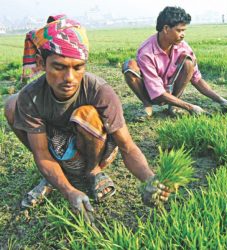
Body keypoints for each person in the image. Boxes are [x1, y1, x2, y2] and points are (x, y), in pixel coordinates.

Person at [4, 15, 170, 217]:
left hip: (96, 147)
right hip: (57, 146)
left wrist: (149, 179)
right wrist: (69, 191)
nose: (69, 78)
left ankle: (92, 171)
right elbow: (42, 154)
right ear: (41, 62)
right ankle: (57, 175)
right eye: (59, 67)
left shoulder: (99, 90)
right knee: (13, 104)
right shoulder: (33, 96)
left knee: (86, 114)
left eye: (78, 67)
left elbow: (127, 146)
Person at [122, 6, 227, 118]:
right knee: (129, 66)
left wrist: (221, 100)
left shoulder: (184, 47)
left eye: (184, 30)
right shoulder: (146, 52)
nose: (183, 35)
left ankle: (173, 105)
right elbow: (157, 93)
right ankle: (148, 105)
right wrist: (190, 107)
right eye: (179, 30)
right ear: (166, 29)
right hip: (151, 92)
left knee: (188, 62)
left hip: (171, 91)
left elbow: (197, 79)